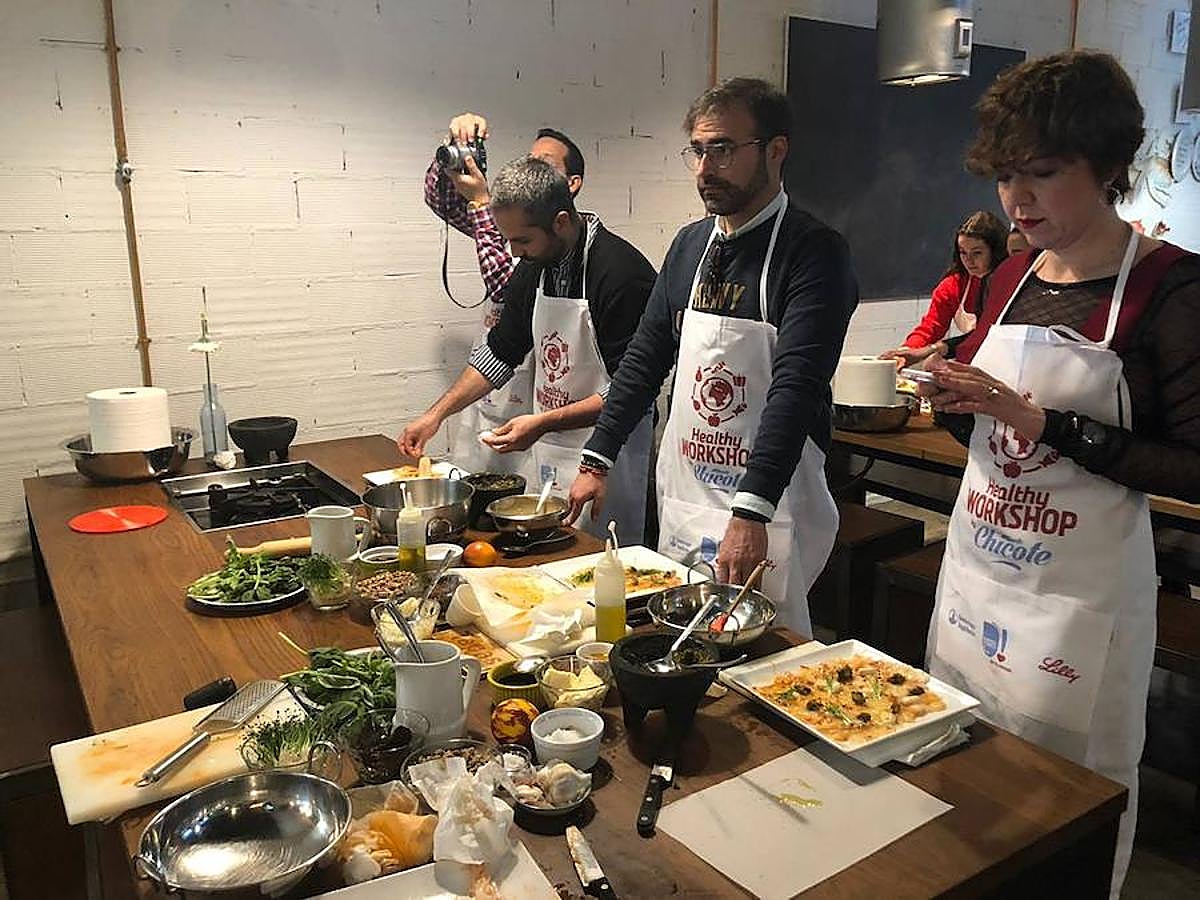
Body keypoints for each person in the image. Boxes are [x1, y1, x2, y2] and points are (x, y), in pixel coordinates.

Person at [917, 51, 1200, 897]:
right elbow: (984, 421)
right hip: (977, 579)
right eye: (1007, 177)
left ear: (1109, 166)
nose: (1018, 201)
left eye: (1042, 174)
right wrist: (951, 393)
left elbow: (1191, 465)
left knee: (1061, 813)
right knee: (958, 789)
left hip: (1079, 614)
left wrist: (1043, 423)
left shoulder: (1168, 289)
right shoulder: (1009, 277)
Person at [565, 77, 858, 634]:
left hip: (772, 498)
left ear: (776, 150)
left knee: (761, 643)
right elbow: (644, 362)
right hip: (688, 490)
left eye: (723, 149)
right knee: (678, 634)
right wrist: (596, 458)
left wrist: (751, 512)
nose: (704, 168)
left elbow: (796, 388)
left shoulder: (814, 253)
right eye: (698, 151)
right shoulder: (690, 245)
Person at [402, 156, 657, 540]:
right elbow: (499, 353)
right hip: (552, 452)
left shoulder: (620, 273)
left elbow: (629, 389)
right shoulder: (535, 267)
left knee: (602, 564)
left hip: (609, 458)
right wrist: (436, 415)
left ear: (561, 222)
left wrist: (541, 423)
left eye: (522, 240)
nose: (514, 252)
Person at [423, 114, 587, 475]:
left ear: (572, 185)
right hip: (492, 378)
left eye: (543, 165)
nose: (515, 247)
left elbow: (506, 284)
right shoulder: (511, 220)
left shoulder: (564, 240)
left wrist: (482, 203)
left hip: (540, 397)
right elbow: (441, 200)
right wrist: (454, 149)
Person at [880, 211, 1008, 365]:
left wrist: (932, 350)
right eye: (963, 253)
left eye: (977, 253)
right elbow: (931, 327)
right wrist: (905, 351)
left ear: (995, 251)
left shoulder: (1008, 282)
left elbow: (985, 334)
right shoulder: (953, 285)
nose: (969, 260)